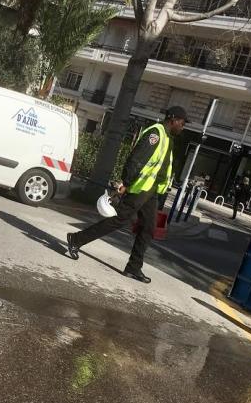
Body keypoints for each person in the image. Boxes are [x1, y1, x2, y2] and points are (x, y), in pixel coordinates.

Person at [65, 106, 188, 283]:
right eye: (182, 123)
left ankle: (133, 268)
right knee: (119, 220)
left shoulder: (168, 138)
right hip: (139, 189)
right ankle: (76, 239)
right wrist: (126, 183)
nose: (183, 127)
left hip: (151, 191)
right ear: (173, 119)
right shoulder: (156, 134)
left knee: (148, 228)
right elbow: (136, 159)